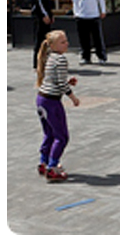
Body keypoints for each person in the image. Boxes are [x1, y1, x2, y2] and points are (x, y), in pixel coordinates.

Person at [35, 30, 80, 182]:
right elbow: (60, 84)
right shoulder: (60, 59)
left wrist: (67, 82)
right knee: (62, 137)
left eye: (66, 41)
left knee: (49, 133)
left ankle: (44, 161)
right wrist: (73, 97)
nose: (66, 44)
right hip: (52, 102)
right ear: (53, 45)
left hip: (42, 99)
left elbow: (55, 81)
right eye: (62, 42)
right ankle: (52, 168)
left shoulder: (49, 57)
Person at [71, 0, 108, 65]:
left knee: (97, 38)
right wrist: (76, 13)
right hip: (81, 16)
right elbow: (75, 2)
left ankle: (101, 56)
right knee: (84, 38)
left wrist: (103, 10)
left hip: (93, 15)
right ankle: (86, 57)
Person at [31, 0, 54, 70]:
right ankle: (37, 62)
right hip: (40, 15)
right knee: (40, 39)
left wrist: (51, 14)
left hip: (46, 14)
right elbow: (38, 0)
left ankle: (45, 60)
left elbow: (47, 0)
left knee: (46, 39)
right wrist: (44, 15)